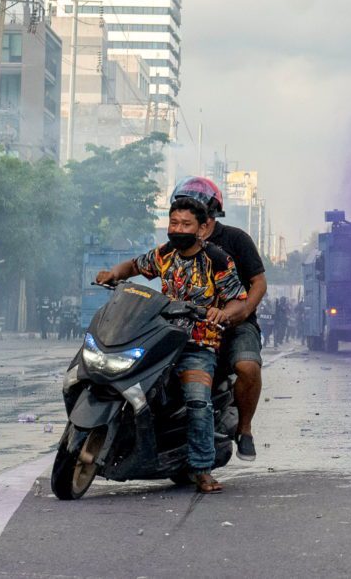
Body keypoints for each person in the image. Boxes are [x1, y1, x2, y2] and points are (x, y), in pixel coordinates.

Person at [96, 197, 247, 493]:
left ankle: (202, 469)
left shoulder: (217, 260)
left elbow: (238, 301)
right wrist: (113, 274)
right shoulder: (164, 254)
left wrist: (223, 312)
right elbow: (135, 265)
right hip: (159, 338)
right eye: (173, 223)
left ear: (202, 228)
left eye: (186, 224)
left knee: (197, 400)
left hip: (198, 344)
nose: (177, 229)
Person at [171, 176, 267, 462]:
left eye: (194, 216)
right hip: (188, 324)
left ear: (208, 217)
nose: (185, 223)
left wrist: (242, 311)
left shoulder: (235, 239)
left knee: (248, 367)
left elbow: (259, 282)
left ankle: (245, 429)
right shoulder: (176, 243)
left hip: (234, 324)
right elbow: (149, 266)